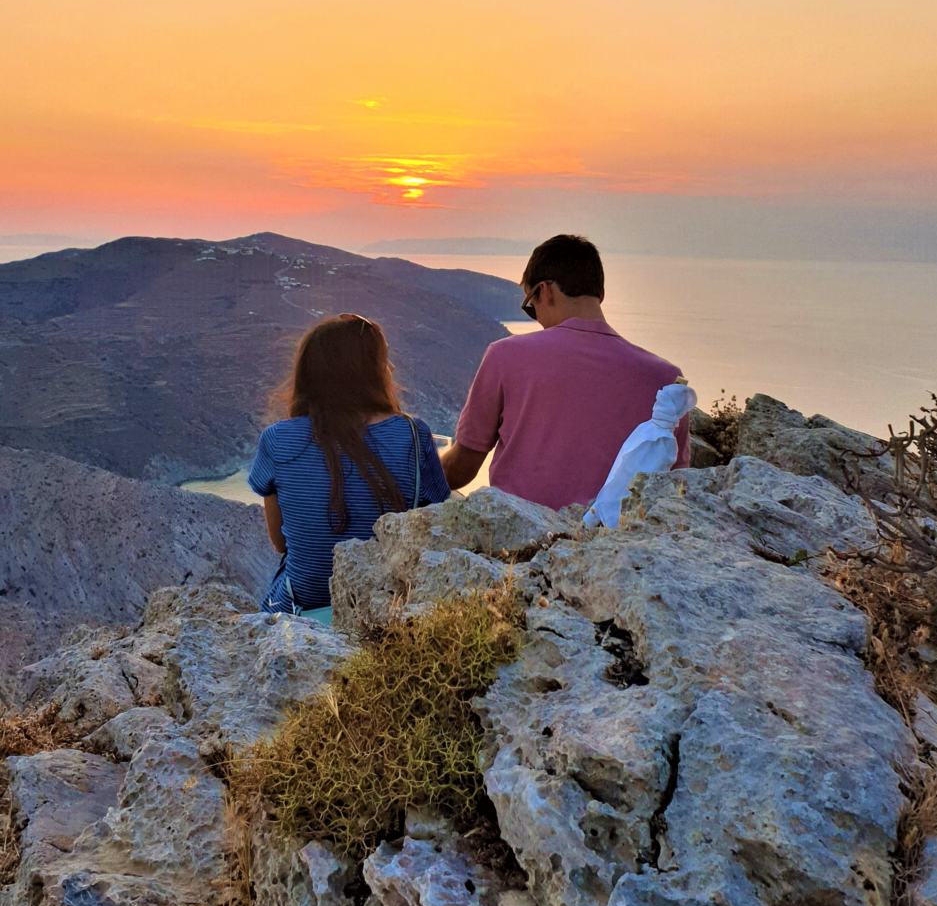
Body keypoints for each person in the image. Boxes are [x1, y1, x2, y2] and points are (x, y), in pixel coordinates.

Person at [441, 234, 690, 511]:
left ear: (545, 290)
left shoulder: (505, 356)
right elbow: (675, 487)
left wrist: (411, 475)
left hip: (520, 538)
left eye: (530, 306)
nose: (536, 318)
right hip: (618, 542)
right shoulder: (667, 381)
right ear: (600, 294)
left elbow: (462, 468)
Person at [249, 313, 450, 620]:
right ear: (369, 371)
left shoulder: (276, 439)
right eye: (383, 359)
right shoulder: (412, 434)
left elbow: (280, 542)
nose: (392, 368)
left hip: (303, 611)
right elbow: (438, 525)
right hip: (388, 607)